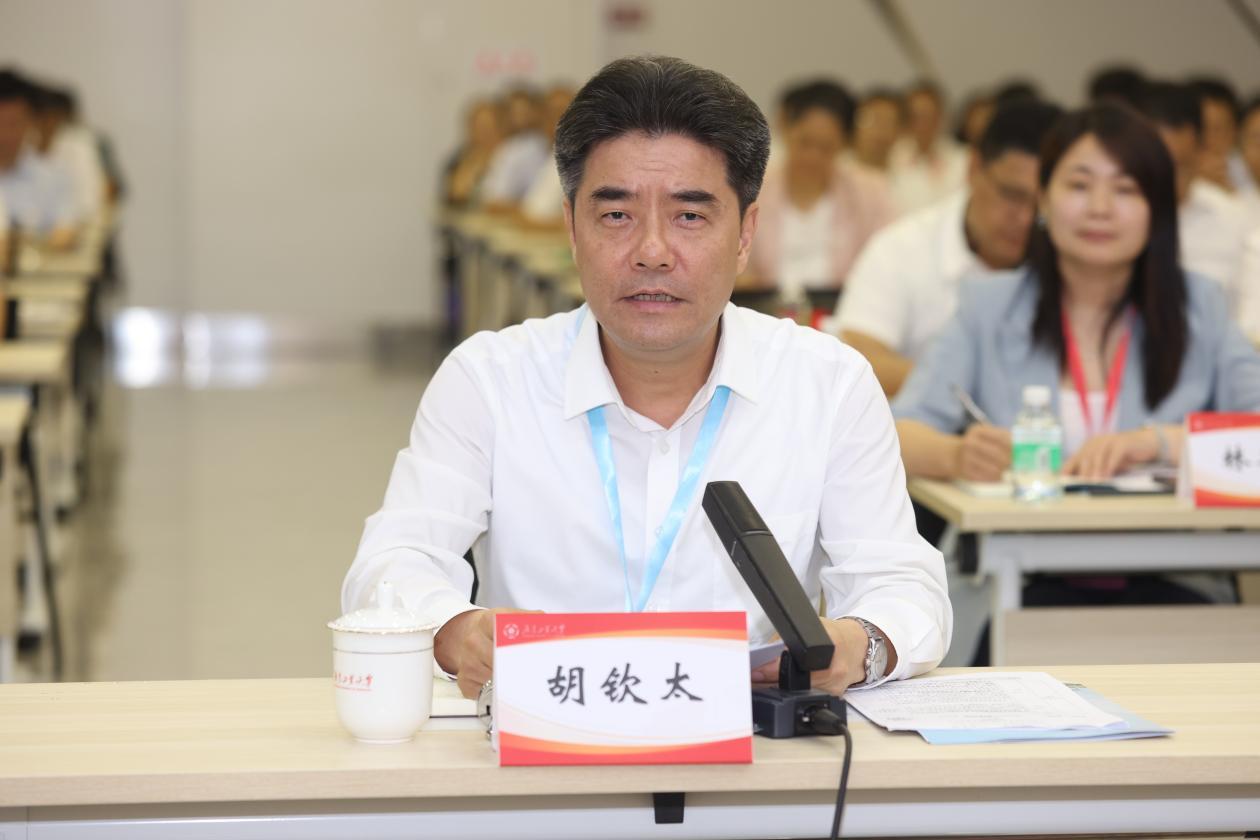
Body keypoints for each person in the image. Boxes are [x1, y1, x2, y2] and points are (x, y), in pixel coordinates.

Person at [343, 55, 951, 700]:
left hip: (754, 746)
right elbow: (392, 563)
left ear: (745, 234)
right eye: (616, 216)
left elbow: (904, 587)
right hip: (545, 740)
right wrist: (456, 629)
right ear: (572, 228)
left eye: (690, 216)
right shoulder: (489, 381)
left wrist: (860, 645)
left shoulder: (827, 383)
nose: (652, 251)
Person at [892, 103, 1260, 485]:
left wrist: (1161, 444)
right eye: (1079, 186)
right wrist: (955, 455)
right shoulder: (988, 306)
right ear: (1044, 200)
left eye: (1125, 189)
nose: (1100, 209)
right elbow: (898, 432)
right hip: (1022, 523)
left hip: (1164, 526)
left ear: (1157, 211)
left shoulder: (1199, 307)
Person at [837, 99, 1063, 396]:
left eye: (1042, 203)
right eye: (1012, 195)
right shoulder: (903, 248)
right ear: (973, 168)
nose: (1025, 218)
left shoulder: (1073, 254)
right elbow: (858, 357)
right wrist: (975, 383)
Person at [749, 80, 894, 299]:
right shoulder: (754, 186)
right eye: (804, 143)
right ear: (785, 129)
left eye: (826, 147)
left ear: (844, 144)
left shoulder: (870, 191)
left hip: (842, 309)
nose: (812, 157)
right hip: (762, 309)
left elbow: (890, 259)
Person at [1138, 81, 1250, 308]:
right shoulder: (1112, 218)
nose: (1168, 183)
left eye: (1180, 168)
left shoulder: (1239, 218)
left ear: (1201, 150)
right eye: (1156, 168)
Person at [0, 69, 76, 249]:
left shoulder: (54, 175)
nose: (4, 134)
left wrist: (21, 245)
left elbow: (66, 231)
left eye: (13, 123)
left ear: (31, 122)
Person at [888, 80, 968, 214]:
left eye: (929, 115)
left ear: (942, 117)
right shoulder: (891, 158)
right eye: (916, 116)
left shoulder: (963, 158)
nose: (923, 124)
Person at [479, 86, 550, 210]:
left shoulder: (541, 144)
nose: (520, 118)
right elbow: (493, 200)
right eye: (515, 113)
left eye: (525, 111)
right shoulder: (511, 149)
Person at [516, 84, 576, 229]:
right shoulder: (555, 155)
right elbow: (533, 211)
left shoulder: (583, 158)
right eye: (550, 114)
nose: (556, 120)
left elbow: (585, 224)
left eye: (562, 112)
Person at [1187, 76, 1245, 193]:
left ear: (1235, 132)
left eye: (1218, 130)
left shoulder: (1248, 171)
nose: (1208, 140)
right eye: (1200, 129)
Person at [442, 98, 503, 208]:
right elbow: (455, 194)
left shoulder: (508, 155)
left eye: (489, 126)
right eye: (480, 126)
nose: (485, 132)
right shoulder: (459, 157)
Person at [851, 88, 902, 171]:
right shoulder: (836, 169)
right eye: (874, 120)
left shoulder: (910, 175)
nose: (880, 129)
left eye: (888, 122)